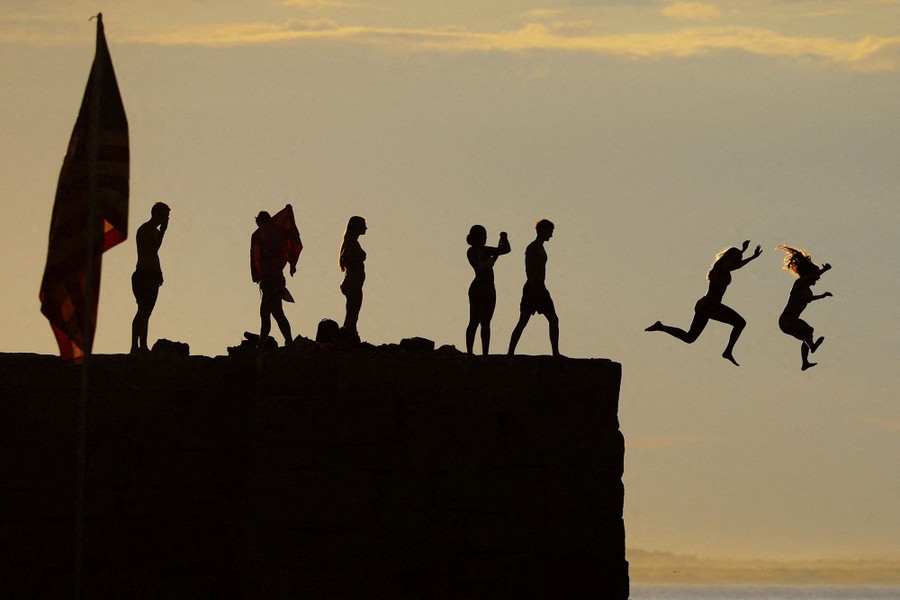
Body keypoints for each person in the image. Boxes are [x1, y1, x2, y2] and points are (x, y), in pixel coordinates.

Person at [645, 240, 762, 366]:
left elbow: (736, 265)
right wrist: (742, 251)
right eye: (737, 259)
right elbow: (729, 264)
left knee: (689, 338)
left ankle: (661, 326)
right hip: (710, 305)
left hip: (705, 305)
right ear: (730, 258)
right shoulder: (720, 269)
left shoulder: (724, 269)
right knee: (740, 323)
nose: (738, 262)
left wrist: (752, 257)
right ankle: (728, 351)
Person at [508, 219, 560, 357]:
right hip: (533, 287)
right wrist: (534, 289)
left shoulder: (540, 247)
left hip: (540, 286)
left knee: (553, 319)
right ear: (542, 230)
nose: (551, 235)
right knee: (523, 321)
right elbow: (529, 269)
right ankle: (510, 352)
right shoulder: (533, 247)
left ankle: (555, 352)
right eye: (550, 231)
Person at [251, 206, 302, 348]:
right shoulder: (277, 234)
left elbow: (255, 258)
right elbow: (290, 242)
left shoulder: (259, 235)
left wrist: (256, 275)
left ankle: (261, 345)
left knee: (266, 313)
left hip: (268, 280)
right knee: (277, 313)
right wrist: (292, 264)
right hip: (277, 278)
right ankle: (288, 341)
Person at [776, 245, 832, 371]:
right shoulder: (800, 283)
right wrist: (825, 270)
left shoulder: (807, 291)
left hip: (788, 321)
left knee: (806, 336)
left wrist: (822, 296)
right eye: (816, 277)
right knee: (808, 331)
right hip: (787, 319)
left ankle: (805, 362)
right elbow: (811, 277)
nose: (817, 279)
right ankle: (812, 346)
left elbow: (810, 299)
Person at [131, 202, 169, 354]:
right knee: (142, 310)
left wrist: (159, 273)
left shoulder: (152, 230)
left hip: (151, 276)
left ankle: (143, 345)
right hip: (143, 275)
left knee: (146, 312)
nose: (166, 218)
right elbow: (153, 249)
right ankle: (135, 345)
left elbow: (154, 256)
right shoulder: (145, 230)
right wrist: (163, 232)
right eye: (165, 215)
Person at [465, 225, 511, 356]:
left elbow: (504, 250)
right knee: (476, 321)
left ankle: (482, 353)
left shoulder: (478, 251)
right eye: (483, 236)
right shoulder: (477, 251)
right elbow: (504, 250)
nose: (485, 238)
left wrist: (503, 240)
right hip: (481, 287)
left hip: (487, 287)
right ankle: (473, 353)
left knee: (484, 322)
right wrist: (503, 239)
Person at [339, 216, 367, 334]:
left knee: (352, 312)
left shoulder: (352, 243)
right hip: (352, 283)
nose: (365, 228)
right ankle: (348, 334)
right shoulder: (351, 244)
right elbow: (346, 257)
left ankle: (349, 333)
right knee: (352, 313)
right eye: (363, 225)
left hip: (353, 283)